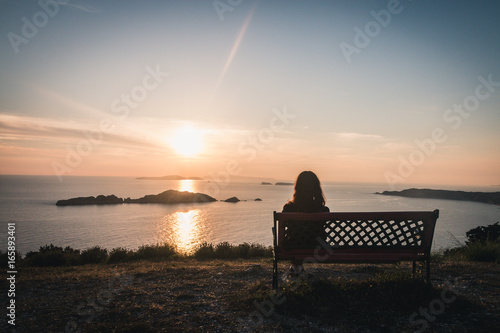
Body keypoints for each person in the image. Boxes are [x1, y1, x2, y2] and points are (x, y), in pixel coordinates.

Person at [282, 171, 329, 279]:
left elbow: (285, 228)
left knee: (296, 236)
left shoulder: (289, 208)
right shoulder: (324, 210)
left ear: (297, 187)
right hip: (316, 246)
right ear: (317, 188)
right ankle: (298, 267)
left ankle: (296, 267)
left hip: (294, 245)